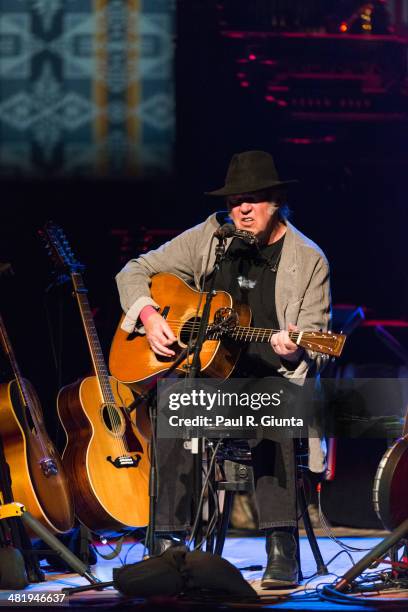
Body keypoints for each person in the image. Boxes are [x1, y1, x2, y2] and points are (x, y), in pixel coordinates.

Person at [116, 150, 331, 588]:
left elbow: (320, 345)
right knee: (175, 400)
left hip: (274, 380)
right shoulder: (211, 236)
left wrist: (294, 350)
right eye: (235, 202)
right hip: (212, 380)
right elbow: (135, 270)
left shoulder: (308, 260)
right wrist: (151, 317)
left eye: (253, 200)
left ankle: (279, 546)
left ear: (276, 202)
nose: (243, 210)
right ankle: (166, 546)